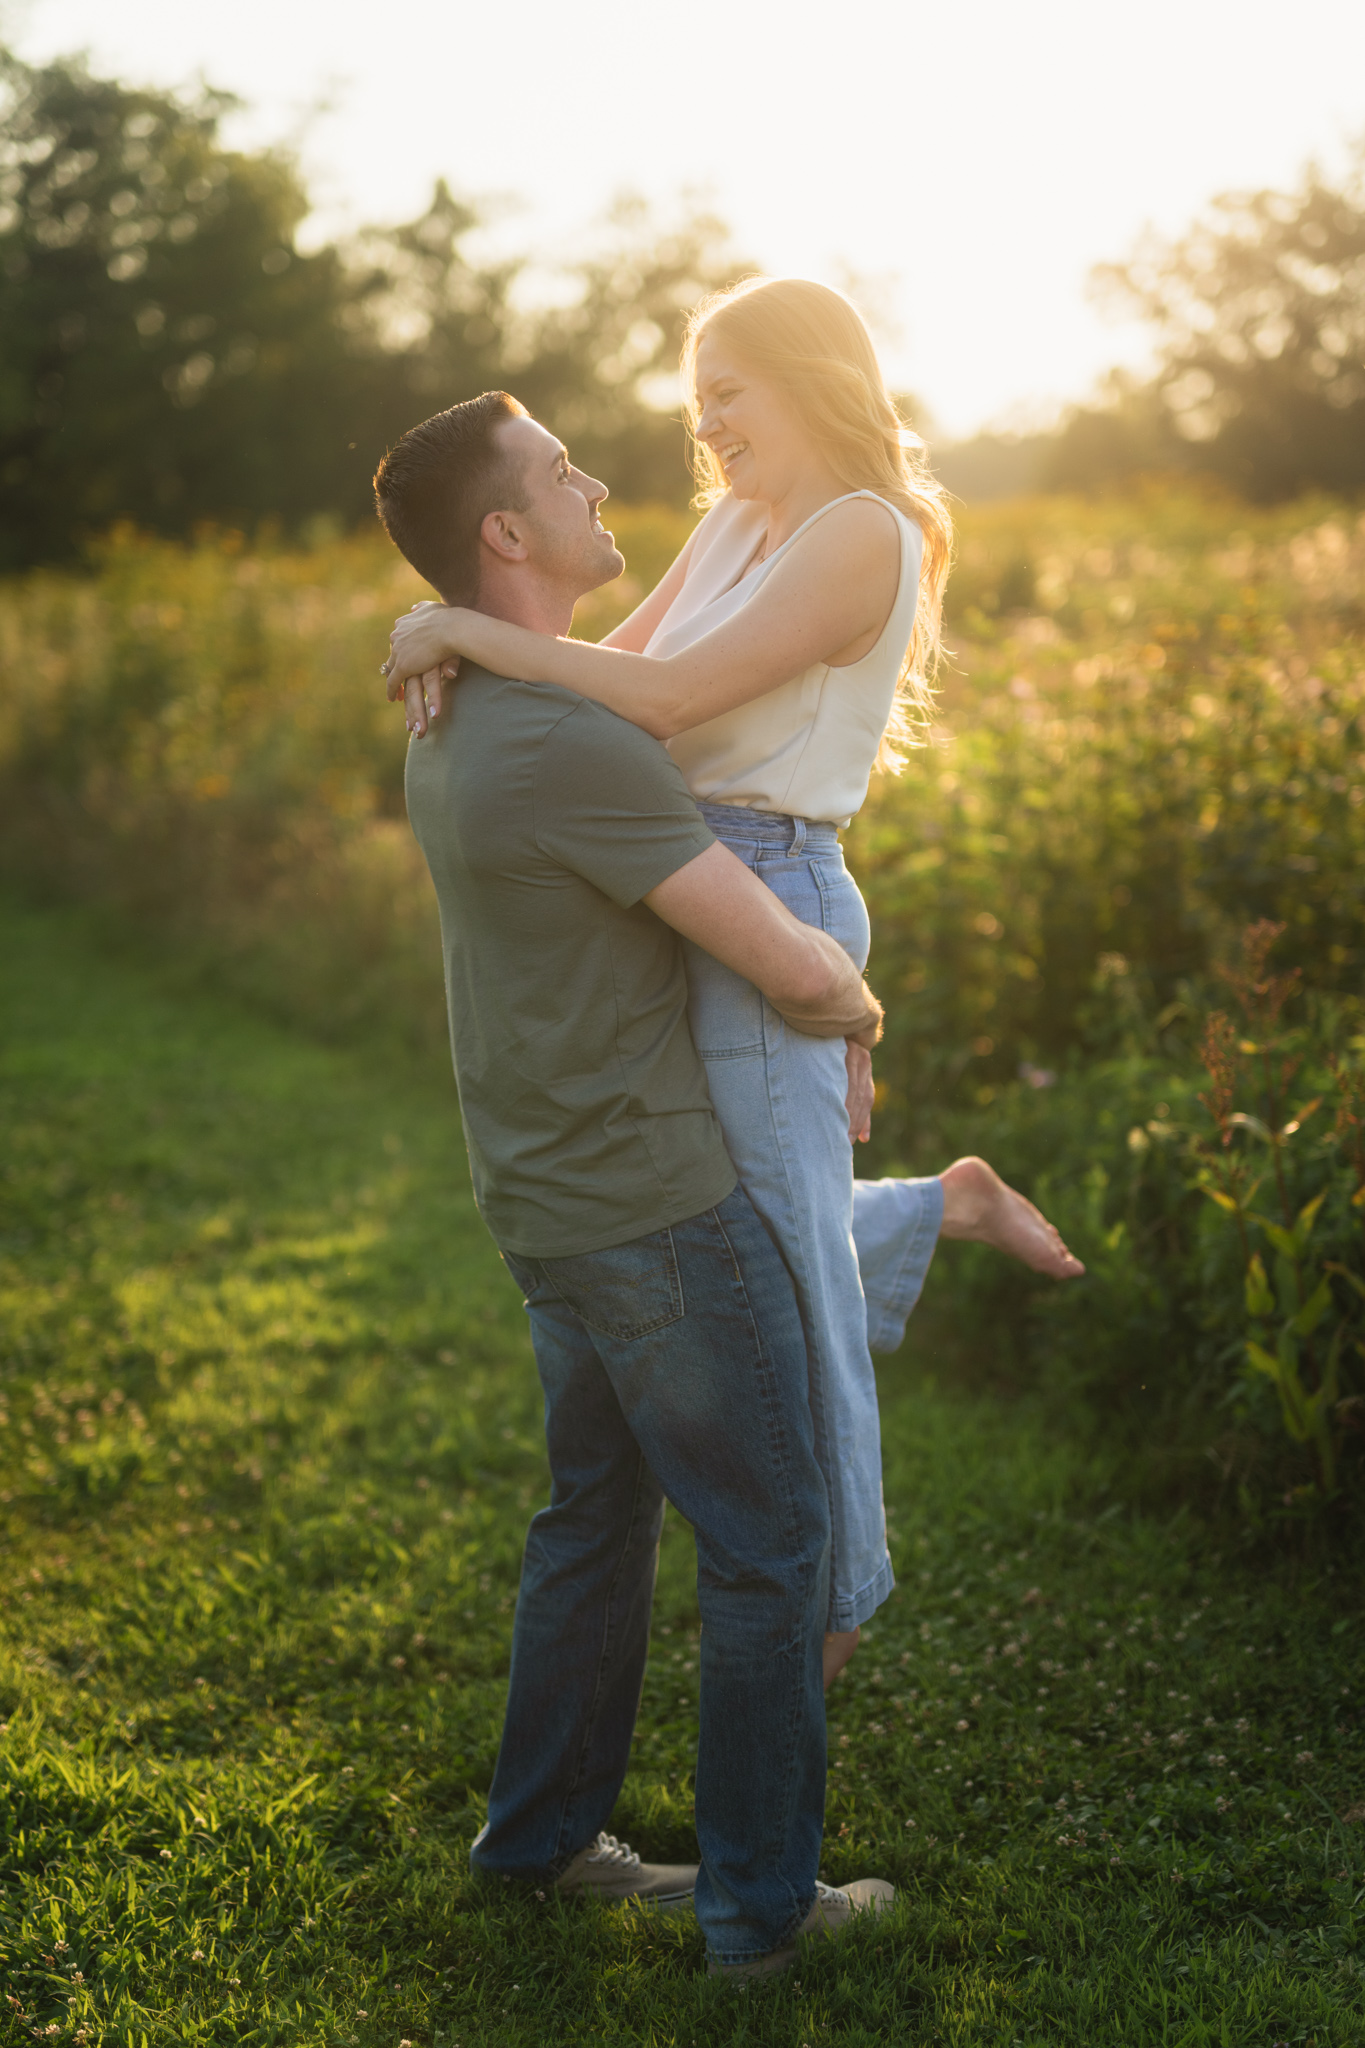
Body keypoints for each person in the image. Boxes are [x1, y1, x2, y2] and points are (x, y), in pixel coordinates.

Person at [383, 278, 1085, 1691]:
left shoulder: (862, 532)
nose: (704, 422)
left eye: (729, 390)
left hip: (767, 883)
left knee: (788, 1270)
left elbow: (666, 703)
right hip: (687, 887)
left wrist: (452, 629)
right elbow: (606, 671)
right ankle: (942, 1203)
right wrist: (462, 636)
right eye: (695, 395)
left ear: (814, 378)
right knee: (740, 1219)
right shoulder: (733, 523)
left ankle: (837, 1586)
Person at [374, 389, 894, 1979]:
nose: (601, 476)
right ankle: (759, 1913)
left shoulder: (459, 709)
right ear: (506, 535)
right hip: (652, 1207)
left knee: (591, 1522)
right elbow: (783, 971)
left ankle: (537, 1842)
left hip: (540, 1195)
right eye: (558, 469)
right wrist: (861, 1008)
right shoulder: (571, 742)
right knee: (769, 1542)